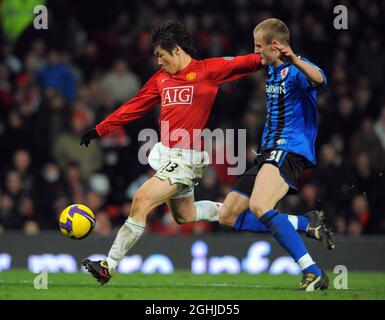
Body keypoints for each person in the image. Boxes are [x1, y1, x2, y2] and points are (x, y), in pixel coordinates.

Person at [80, 20, 332, 286]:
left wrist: (277, 55)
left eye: (160, 55)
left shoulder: (209, 70)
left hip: (186, 158)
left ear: (176, 50)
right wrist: (100, 129)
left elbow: (255, 60)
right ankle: (302, 224)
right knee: (186, 216)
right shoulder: (160, 80)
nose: (158, 62)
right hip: (166, 156)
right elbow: (134, 106)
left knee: (142, 199)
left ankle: (109, 264)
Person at [216, 18, 333, 291]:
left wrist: (294, 57)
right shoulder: (271, 71)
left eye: (259, 46)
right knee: (229, 214)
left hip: (288, 149)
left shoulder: (295, 70)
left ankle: (312, 272)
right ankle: (306, 223)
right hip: (267, 152)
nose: (256, 52)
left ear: (275, 45)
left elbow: (321, 79)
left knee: (260, 206)